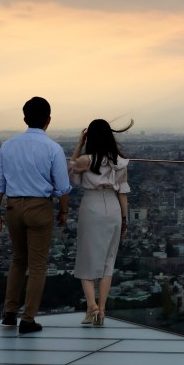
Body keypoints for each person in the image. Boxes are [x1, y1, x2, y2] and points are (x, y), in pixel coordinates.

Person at [0, 96, 72, 334]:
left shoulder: (8, 145)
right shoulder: (53, 148)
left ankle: (9, 312)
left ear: (25, 118)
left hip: (13, 206)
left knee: (18, 259)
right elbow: (63, 187)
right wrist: (64, 211)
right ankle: (28, 319)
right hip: (39, 207)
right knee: (37, 265)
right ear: (48, 120)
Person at [69, 118, 132, 326]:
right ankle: (102, 311)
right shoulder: (120, 162)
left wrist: (79, 143)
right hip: (113, 206)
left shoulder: (86, 160)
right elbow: (123, 192)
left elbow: (71, 172)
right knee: (108, 260)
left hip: (92, 205)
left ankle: (92, 306)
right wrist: (124, 219)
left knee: (86, 258)